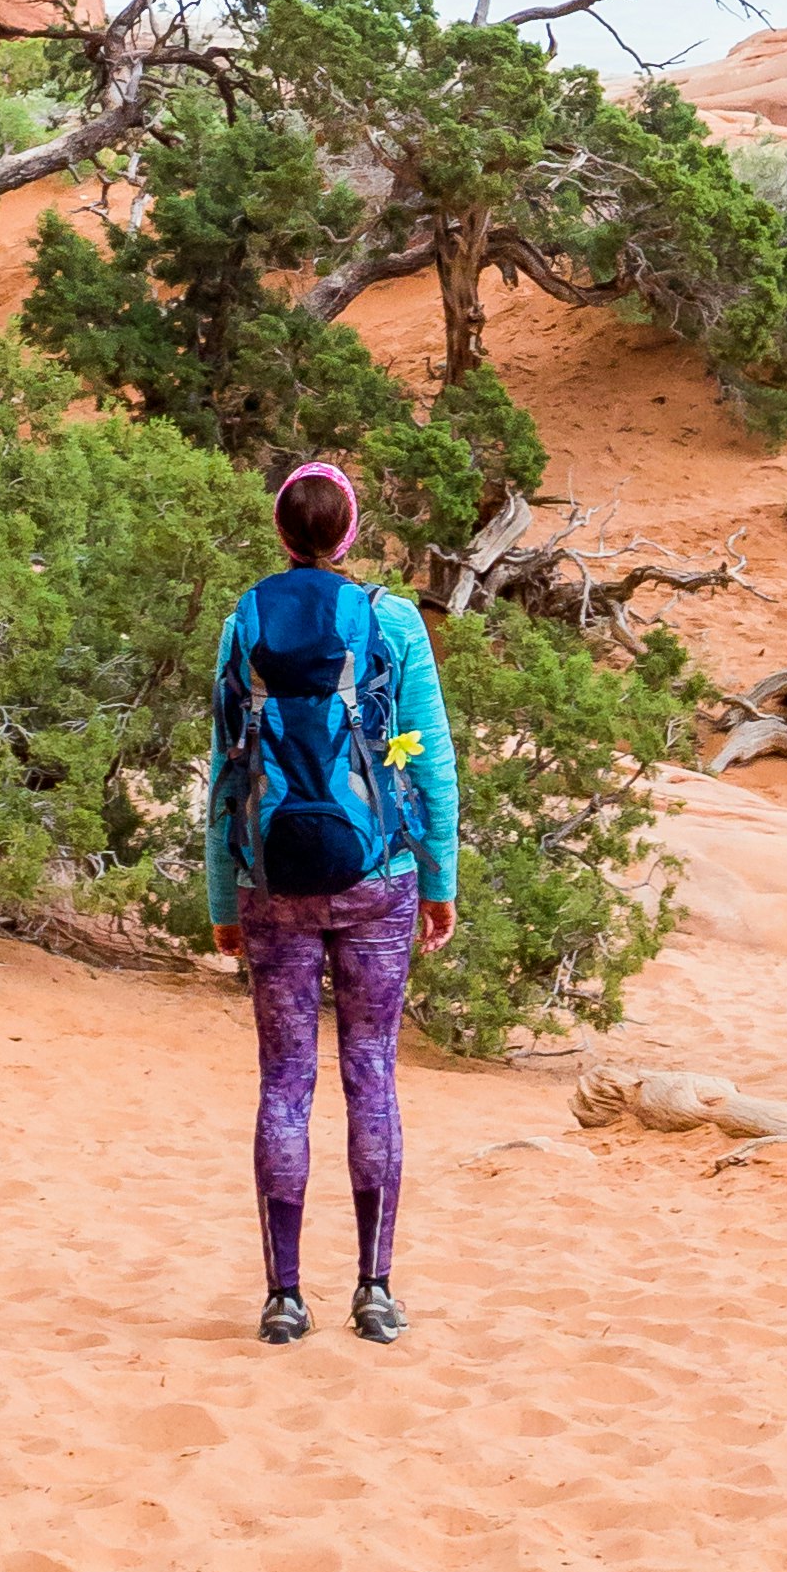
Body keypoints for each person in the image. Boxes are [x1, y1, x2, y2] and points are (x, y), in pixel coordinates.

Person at [205, 455, 459, 1346]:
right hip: (376, 879)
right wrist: (438, 878)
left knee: (284, 1084)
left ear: (283, 532)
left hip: (271, 884)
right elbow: (426, 758)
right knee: (372, 1077)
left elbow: (225, 767)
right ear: (350, 534)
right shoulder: (390, 619)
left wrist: (223, 895)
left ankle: (283, 1300)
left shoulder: (246, 619)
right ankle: (375, 1291)